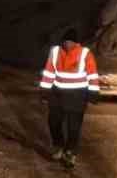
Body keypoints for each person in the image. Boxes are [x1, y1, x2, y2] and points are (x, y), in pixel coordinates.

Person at [38, 28, 99, 168]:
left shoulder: (84, 53)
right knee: (53, 122)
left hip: (77, 96)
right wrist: (44, 90)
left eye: (71, 42)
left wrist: (93, 92)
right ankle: (58, 146)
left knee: (74, 127)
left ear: (76, 43)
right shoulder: (55, 52)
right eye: (66, 41)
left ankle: (70, 152)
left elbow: (92, 74)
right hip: (57, 94)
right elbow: (49, 72)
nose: (68, 44)